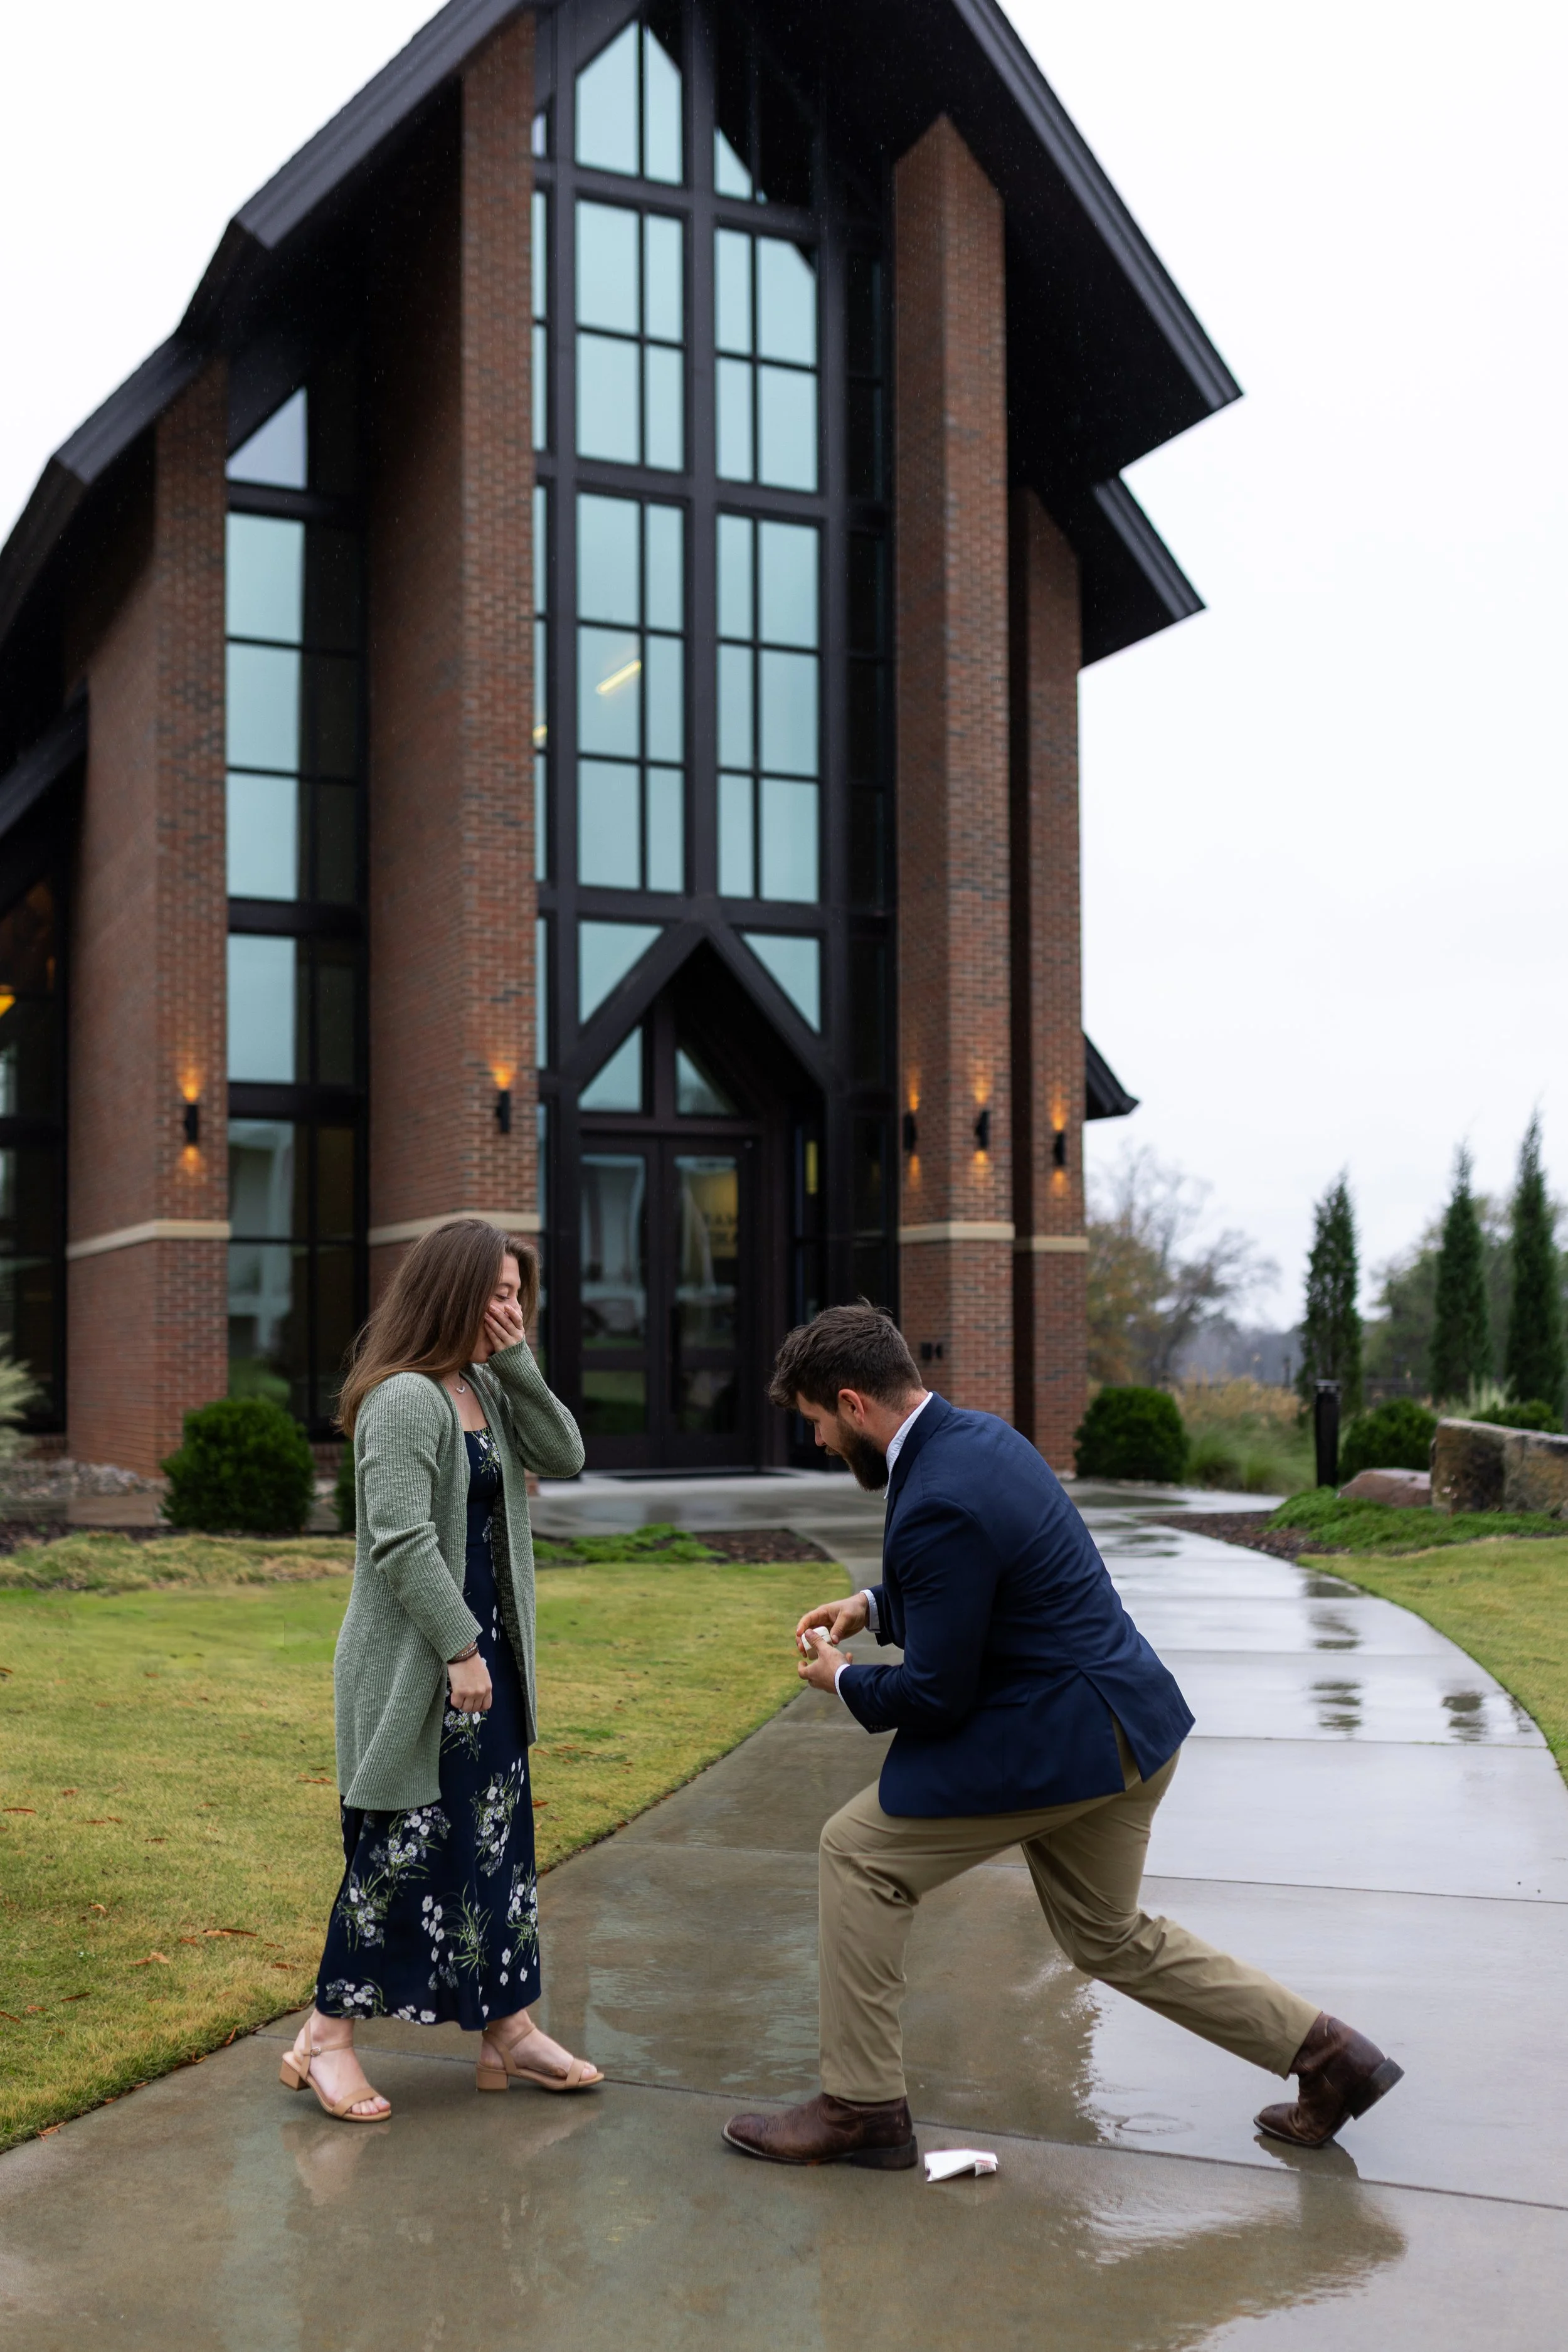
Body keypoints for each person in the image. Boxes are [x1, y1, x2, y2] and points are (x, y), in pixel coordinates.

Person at [723, 1303, 1403, 2171]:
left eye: (815, 1420)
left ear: (853, 1402)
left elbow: (936, 1692)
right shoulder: (980, 1438)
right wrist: (875, 1605)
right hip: (1131, 1725)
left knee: (858, 1853)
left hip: (1063, 1739)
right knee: (1108, 1934)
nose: (817, 1440)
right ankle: (1332, 2056)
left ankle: (860, 2110)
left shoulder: (933, 1494)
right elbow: (989, 1583)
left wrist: (844, 1678)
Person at [280, 1218, 601, 2121]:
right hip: (422, 1666)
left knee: (494, 1843)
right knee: (400, 1848)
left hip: (486, 1662)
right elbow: (401, 1540)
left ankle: (509, 2025)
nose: (510, 1309)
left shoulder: (483, 1387)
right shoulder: (403, 1398)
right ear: (452, 1293)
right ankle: (326, 2038)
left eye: (516, 1294)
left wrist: (521, 1364)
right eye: (496, 1293)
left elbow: (566, 1454)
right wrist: (459, 1648)